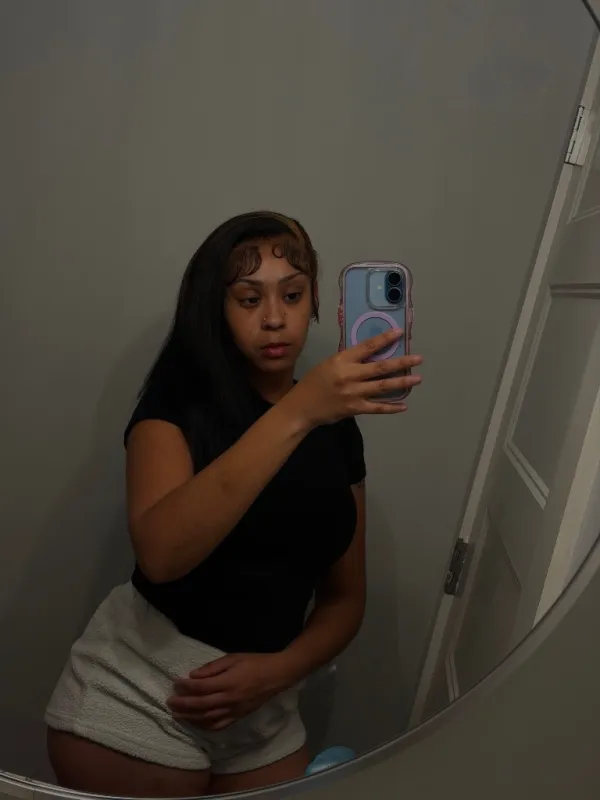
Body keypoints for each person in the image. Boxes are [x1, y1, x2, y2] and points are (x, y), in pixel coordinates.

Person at [45, 211, 423, 797]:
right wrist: (298, 412)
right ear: (216, 309)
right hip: (142, 692)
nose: (274, 318)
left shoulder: (338, 430)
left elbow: (346, 599)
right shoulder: (176, 408)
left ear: (315, 302)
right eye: (249, 299)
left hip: (266, 709)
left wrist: (279, 671)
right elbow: (161, 555)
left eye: (292, 295)